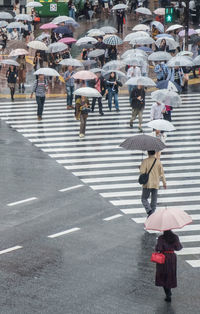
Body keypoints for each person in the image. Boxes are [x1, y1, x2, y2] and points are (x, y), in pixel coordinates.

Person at [155, 230, 183, 302]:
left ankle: (167, 293)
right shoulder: (175, 237)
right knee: (170, 273)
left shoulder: (161, 238)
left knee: (163, 274)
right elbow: (178, 248)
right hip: (172, 257)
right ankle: (169, 289)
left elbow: (158, 248)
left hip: (163, 257)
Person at [140, 150, 166, 216]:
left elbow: (142, 172)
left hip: (147, 184)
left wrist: (140, 167)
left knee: (144, 198)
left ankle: (149, 211)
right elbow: (162, 174)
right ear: (155, 153)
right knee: (153, 202)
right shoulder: (158, 162)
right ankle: (152, 217)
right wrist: (164, 183)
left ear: (148, 153)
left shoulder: (145, 161)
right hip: (156, 184)